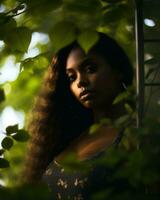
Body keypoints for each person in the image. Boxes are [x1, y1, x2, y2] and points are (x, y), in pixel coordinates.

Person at [21, 32, 134, 199]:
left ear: (118, 70)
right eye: (71, 77)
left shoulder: (139, 132)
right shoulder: (67, 138)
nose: (80, 82)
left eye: (90, 69)